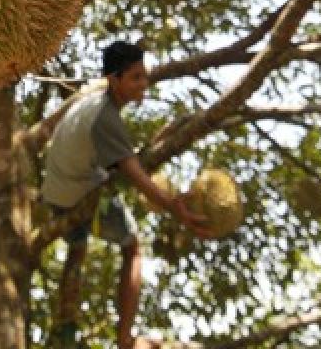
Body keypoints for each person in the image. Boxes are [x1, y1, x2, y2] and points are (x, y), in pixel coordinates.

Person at [40, 40, 212, 349]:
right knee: (133, 247)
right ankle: (125, 339)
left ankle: (64, 328)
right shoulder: (105, 118)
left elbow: (124, 160)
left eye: (144, 75)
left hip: (57, 192)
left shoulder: (93, 99)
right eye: (135, 77)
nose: (144, 83)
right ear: (113, 79)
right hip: (76, 198)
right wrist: (175, 207)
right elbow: (136, 177)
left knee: (78, 246)